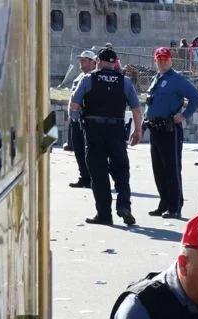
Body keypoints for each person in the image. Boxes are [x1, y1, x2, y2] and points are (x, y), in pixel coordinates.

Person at [70, 47, 142, 226]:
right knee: (122, 171)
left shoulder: (88, 79)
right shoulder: (124, 81)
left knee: (98, 173)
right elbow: (136, 109)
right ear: (114, 62)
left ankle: (104, 214)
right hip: (116, 131)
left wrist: (78, 120)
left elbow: (74, 104)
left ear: (99, 62)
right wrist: (138, 130)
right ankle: (124, 206)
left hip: (94, 132)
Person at [144, 47, 198, 220]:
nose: (162, 61)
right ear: (155, 60)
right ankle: (164, 203)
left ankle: (175, 206)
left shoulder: (176, 79)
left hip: (169, 128)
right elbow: (151, 103)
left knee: (172, 169)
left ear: (170, 60)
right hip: (155, 128)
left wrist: (184, 115)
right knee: (159, 169)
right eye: (159, 59)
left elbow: (196, 97)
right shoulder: (157, 78)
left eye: (165, 59)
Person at [68, 50, 98, 189]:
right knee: (78, 150)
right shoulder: (80, 76)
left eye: (85, 60)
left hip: (87, 121)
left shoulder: (94, 77)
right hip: (76, 121)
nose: (81, 62)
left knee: (90, 152)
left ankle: (93, 178)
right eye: (81, 60)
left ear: (93, 62)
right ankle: (84, 178)